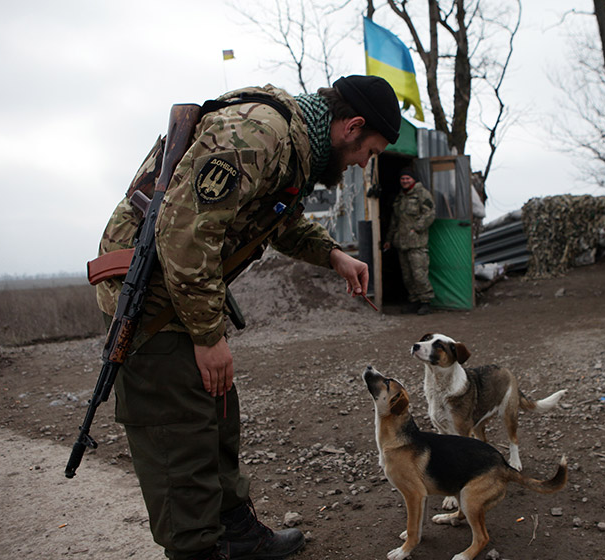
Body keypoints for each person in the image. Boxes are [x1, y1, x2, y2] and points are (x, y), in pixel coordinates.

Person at [94, 75, 401, 560]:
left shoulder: (296, 145)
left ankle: (237, 534)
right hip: (152, 296)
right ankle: (197, 550)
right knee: (181, 436)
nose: (366, 162)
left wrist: (332, 255)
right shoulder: (260, 133)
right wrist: (206, 334)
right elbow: (182, 229)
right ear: (353, 127)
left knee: (217, 413)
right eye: (370, 150)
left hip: (181, 285)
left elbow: (276, 217)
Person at [383, 168, 436, 315]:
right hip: (402, 243)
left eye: (408, 179)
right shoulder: (401, 197)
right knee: (407, 276)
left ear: (414, 180)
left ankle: (425, 302)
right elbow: (395, 221)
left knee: (419, 274)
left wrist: (416, 228)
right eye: (403, 179)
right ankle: (414, 301)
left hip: (417, 243)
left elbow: (430, 214)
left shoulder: (422, 194)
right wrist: (389, 239)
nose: (405, 181)